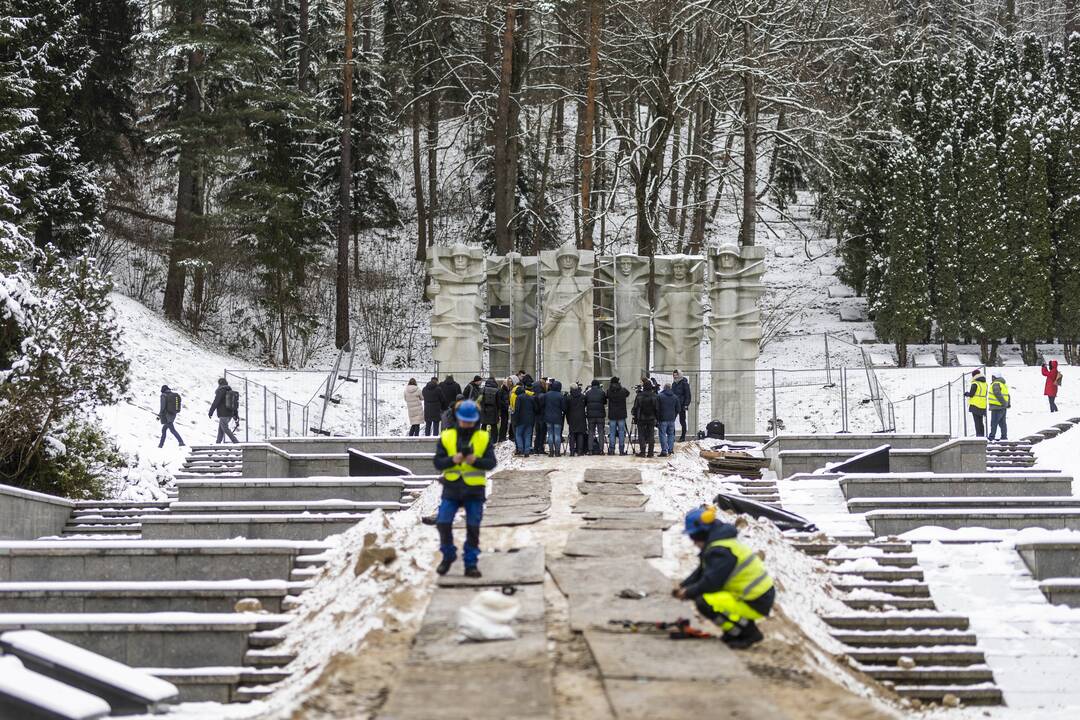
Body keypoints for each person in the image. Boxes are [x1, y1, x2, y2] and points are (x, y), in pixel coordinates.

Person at [672, 506, 775, 649]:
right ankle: (735, 631)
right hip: (754, 596)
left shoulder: (720, 551)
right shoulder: (719, 544)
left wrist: (688, 593)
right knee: (703, 596)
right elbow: (702, 572)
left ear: (702, 534)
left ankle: (748, 633)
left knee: (704, 602)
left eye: (693, 537)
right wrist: (684, 586)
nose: (693, 542)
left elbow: (711, 583)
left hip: (755, 600)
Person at [432, 400, 497, 578]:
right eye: (464, 420)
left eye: (470, 421)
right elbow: (438, 462)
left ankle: (471, 563)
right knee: (443, 522)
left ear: (475, 420)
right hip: (452, 487)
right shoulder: (447, 437)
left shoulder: (483, 437)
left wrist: (475, 461)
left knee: (473, 527)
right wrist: (453, 459)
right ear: (458, 419)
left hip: (474, 490)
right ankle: (448, 554)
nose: (466, 424)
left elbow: (491, 463)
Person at [208, 378, 239, 444]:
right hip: (230, 414)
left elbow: (216, 402)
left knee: (225, 428)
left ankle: (236, 442)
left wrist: (211, 412)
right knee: (221, 430)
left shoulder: (221, 391)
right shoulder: (230, 391)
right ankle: (218, 444)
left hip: (223, 414)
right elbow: (235, 404)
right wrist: (235, 415)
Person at [632, 382, 659, 458]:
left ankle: (643, 452)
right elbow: (657, 408)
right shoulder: (654, 396)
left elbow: (636, 407)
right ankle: (650, 452)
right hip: (651, 418)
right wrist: (657, 418)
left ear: (643, 387)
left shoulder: (639, 395)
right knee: (651, 435)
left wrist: (635, 416)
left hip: (641, 418)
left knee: (641, 434)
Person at [511, 381, 536, 456]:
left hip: (520, 420)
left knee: (518, 434)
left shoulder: (519, 398)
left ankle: (521, 449)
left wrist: (515, 419)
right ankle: (527, 451)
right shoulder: (531, 397)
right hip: (530, 420)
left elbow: (517, 409)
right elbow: (535, 408)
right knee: (527, 435)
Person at [606, 377, 630, 455]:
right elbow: (628, 393)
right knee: (621, 432)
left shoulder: (609, 391)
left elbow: (607, 396)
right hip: (621, 414)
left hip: (612, 415)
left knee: (612, 432)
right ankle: (621, 449)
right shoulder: (623, 390)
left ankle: (612, 449)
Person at [543, 380, 567, 457]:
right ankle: (557, 452)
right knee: (557, 435)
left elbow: (543, 405)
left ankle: (551, 451)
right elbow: (564, 408)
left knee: (550, 434)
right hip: (558, 417)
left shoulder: (546, 395)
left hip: (548, 417)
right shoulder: (560, 395)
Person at [585, 379, 607, 454]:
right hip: (600, 415)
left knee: (591, 432)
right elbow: (605, 402)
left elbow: (585, 402)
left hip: (590, 416)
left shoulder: (588, 393)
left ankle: (590, 450)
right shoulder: (602, 392)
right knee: (601, 432)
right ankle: (601, 450)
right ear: (598, 385)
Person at [987, 373, 1011, 442]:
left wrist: (1003, 403)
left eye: (993, 377)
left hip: (997, 407)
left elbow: (997, 393)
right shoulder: (1003, 384)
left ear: (995, 377)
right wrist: (1007, 404)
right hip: (1003, 407)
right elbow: (1008, 395)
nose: (992, 378)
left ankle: (991, 437)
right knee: (1002, 423)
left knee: (994, 422)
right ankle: (1004, 437)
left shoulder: (996, 384)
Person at [566, 383, 588, 456]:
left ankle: (572, 452)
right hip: (581, 417)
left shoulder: (568, 397)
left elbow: (567, 409)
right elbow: (585, 405)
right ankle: (580, 451)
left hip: (572, 417)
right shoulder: (582, 396)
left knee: (572, 434)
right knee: (580, 434)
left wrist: (568, 419)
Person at [657, 383, 679, 457]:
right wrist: (674, 416)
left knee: (662, 434)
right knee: (671, 434)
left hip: (662, 419)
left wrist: (658, 417)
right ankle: (670, 449)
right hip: (671, 419)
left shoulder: (660, 396)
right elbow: (678, 409)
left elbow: (657, 408)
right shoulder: (675, 397)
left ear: (664, 388)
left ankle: (664, 450)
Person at [965, 369, 988, 438]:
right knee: (981, 422)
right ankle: (982, 436)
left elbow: (972, 394)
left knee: (977, 422)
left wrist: (966, 394)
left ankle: (979, 437)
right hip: (983, 404)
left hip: (975, 404)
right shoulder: (985, 384)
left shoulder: (975, 383)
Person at [672, 370, 692, 442]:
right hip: (674, 405)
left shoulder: (684, 383)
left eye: (676, 375)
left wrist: (686, 404)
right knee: (672, 420)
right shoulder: (674, 384)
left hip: (682, 405)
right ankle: (672, 436)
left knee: (682, 421)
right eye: (674, 375)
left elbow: (688, 395)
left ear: (679, 375)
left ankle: (683, 437)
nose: (675, 376)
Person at [533, 379, 549, 455]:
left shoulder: (534, 395)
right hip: (543, 416)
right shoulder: (543, 396)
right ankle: (541, 449)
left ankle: (536, 448)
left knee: (538, 433)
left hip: (536, 416)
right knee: (542, 433)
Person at [496, 377, 514, 442]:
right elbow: (500, 401)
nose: (509, 383)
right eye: (507, 382)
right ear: (504, 383)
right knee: (504, 423)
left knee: (506, 423)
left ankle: (503, 437)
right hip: (504, 410)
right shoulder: (502, 390)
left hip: (507, 409)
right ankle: (501, 437)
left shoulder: (507, 390)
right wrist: (505, 405)